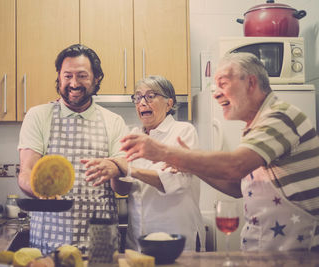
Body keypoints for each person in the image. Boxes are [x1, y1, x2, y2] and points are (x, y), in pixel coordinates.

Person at [120, 53, 319, 251]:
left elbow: (235, 167)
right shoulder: (256, 128)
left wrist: (165, 153)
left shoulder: (279, 117)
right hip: (269, 252)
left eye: (223, 84)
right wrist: (188, 164)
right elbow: (234, 187)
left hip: (296, 255)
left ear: (250, 83)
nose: (215, 93)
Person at [17, 44, 128, 254]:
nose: (74, 83)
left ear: (96, 79)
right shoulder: (39, 116)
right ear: (59, 78)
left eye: (82, 76)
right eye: (67, 76)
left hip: (100, 243)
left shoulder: (114, 122)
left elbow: (122, 189)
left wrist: (115, 169)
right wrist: (41, 192)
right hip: (49, 240)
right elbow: (26, 172)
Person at [82, 75, 206, 252]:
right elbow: (123, 189)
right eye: (138, 97)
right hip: (137, 242)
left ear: (169, 104)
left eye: (150, 96)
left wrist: (128, 169)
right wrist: (113, 169)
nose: (142, 102)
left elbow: (175, 182)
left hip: (176, 239)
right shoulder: (132, 135)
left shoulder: (183, 131)